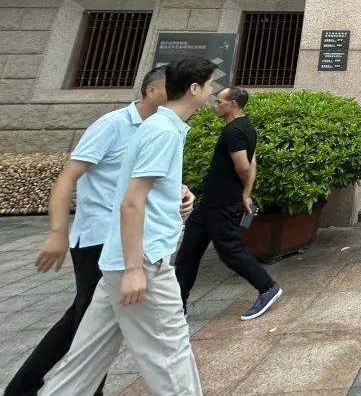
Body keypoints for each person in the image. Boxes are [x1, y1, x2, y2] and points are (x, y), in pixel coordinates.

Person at [5, 68, 194, 396]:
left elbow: (145, 179)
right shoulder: (112, 125)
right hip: (100, 239)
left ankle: (33, 388)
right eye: (172, 87)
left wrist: (179, 191)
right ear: (152, 90)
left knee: (89, 329)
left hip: (129, 240)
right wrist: (58, 231)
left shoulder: (160, 129)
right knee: (87, 327)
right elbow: (68, 177)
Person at [42, 58, 218, 396]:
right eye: (210, 85)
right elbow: (131, 203)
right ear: (194, 89)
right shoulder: (162, 131)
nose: (212, 92)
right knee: (170, 355)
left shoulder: (158, 127)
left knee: (84, 362)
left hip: (119, 261)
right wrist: (135, 269)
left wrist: (177, 193)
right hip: (145, 260)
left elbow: (143, 190)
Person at [175, 87, 282, 320]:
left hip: (223, 202)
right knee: (188, 251)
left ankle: (267, 287)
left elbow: (243, 166)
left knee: (230, 249)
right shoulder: (246, 127)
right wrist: (247, 193)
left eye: (219, 102)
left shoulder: (234, 131)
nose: (216, 105)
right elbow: (253, 162)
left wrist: (243, 192)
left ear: (233, 104)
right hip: (210, 202)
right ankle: (176, 305)